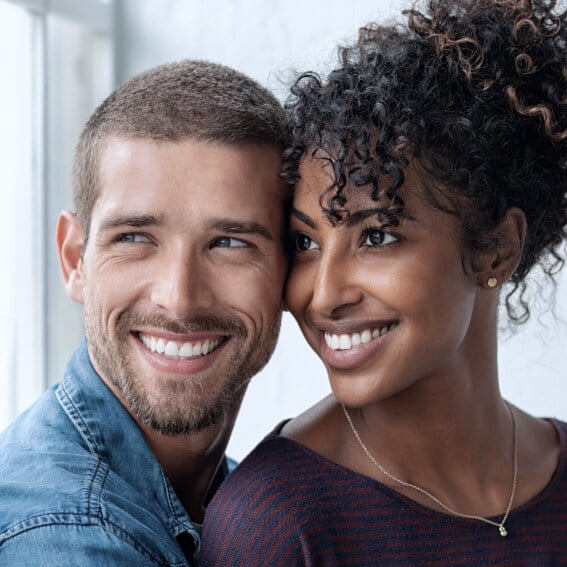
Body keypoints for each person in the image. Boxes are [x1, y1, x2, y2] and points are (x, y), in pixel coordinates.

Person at [199, 0, 567, 565]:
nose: (323, 296)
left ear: (496, 248)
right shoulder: (276, 523)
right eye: (306, 242)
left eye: (377, 236)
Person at [0, 60, 288, 565]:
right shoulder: (71, 535)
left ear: (294, 267)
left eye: (229, 243)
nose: (179, 298)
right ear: (75, 260)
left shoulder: (240, 503)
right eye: (134, 238)